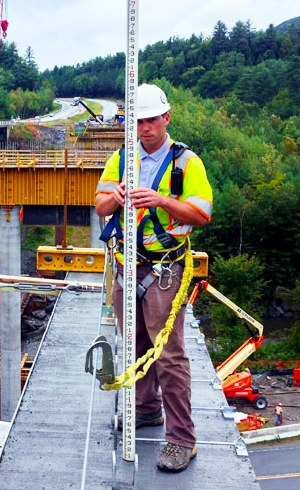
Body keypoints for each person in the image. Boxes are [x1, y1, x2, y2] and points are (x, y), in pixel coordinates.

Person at [95, 83, 213, 473]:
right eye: (138, 122)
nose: (144, 128)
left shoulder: (186, 164)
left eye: (151, 120)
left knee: (169, 356)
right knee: (135, 343)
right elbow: (100, 206)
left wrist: (162, 201)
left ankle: (182, 439)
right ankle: (146, 409)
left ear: (166, 118)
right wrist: (116, 196)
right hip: (127, 266)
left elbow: (202, 215)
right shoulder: (121, 159)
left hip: (164, 270)